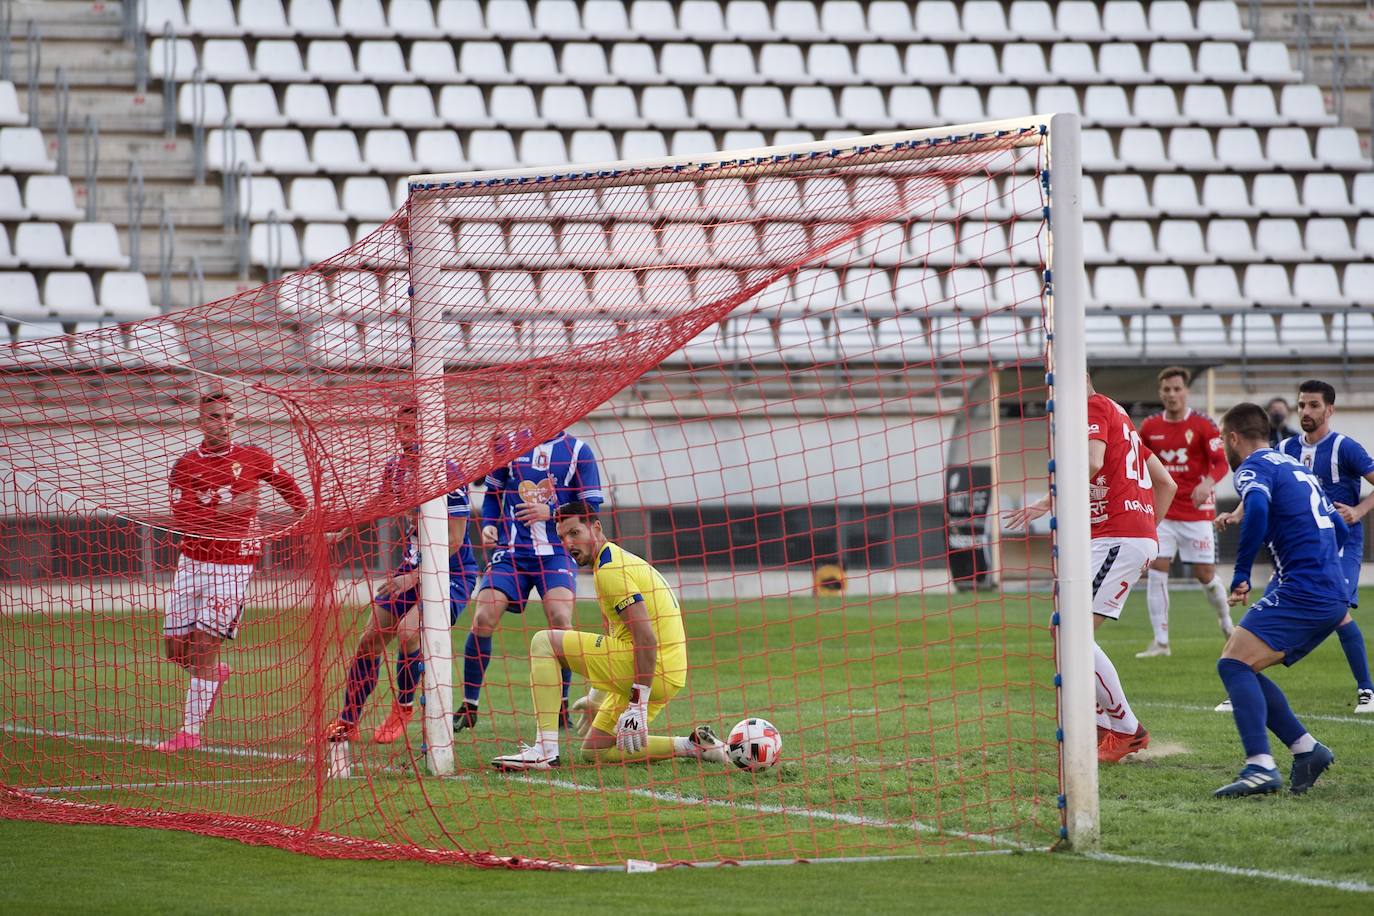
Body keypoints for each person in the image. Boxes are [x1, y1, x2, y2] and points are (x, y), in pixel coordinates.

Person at [1004, 379, 1177, 764]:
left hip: (1116, 536)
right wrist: (1147, 533)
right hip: (1124, 536)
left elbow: (1093, 461)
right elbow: (1166, 482)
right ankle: (1108, 723)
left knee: (1071, 633)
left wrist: (1047, 500)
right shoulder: (1123, 418)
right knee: (1067, 631)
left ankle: (1125, 730)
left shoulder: (1094, 407)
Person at [491, 502, 727, 770]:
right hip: (668, 673)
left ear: (596, 527)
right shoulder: (612, 561)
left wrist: (638, 703)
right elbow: (620, 637)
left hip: (652, 668)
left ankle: (544, 751)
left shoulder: (610, 571)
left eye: (574, 533)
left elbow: (645, 639)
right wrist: (596, 697)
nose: (569, 543)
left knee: (544, 642)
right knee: (596, 751)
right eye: (562, 537)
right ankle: (693, 746)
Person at [157, 392, 308, 753]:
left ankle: (189, 732)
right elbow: (185, 520)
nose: (223, 423)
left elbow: (288, 487)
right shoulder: (185, 465)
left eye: (228, 417)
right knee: (176, 651)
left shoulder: (254, 457)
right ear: (200, 422)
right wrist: (231, 510)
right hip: (192, 562)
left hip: (234, 567)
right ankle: (213, 675)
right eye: (214, 417)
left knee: (205, 646)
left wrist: (310, 517)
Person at [1211, 402, 1345, 797]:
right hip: (1326, 588)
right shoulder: (1296, 466)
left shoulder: (1252, 467)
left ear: (1233, 437)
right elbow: (1337, 526)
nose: (1223, 447)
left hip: (1305, 589)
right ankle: (1307, 750)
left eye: (1222, 439)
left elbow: (1255, 507)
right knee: (1242, 664)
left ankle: (1260, 765)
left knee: (1233, 665)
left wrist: (1240, 575)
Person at [324, 404, 479, 744]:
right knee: (370, 640)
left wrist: (415, 576)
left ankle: (403, 707)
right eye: (402, 428)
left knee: (409, 632)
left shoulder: (447, 472)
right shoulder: (395, 469)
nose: (408, 435)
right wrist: (341, 530)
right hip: (412, 567)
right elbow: (378, 506)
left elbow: (454, 541)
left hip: (451, 573)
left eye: (414, 427)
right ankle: (347, 721)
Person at [455, 429, 604, 732]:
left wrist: (551, 511)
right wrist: (488, 525)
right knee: (483, 617)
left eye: (552, 393)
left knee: (561, 620)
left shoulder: (578, 450)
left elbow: (591, 507)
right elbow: (494, 494)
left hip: (556, 554)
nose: (546, 400)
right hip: (512, 554)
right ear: (533, 396)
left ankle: (561, 703)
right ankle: (470, 704)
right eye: (540, 392)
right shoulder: (508, 443)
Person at [1274, 380, 1374, 714]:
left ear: (1329, 410)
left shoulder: (1345, 448)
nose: (1305, 411)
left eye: (1313, 405)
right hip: (1300, 546)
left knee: (1336, 612)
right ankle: (1245, 675)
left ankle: (1367, 690)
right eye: (1301, 405)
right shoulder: (1285, 448)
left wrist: (1359, 511)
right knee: (1269, 607)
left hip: (1341, 543)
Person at [1136, 367, 1234, 658]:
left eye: (1177, 389)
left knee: (1204, 575)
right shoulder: (1150, 427)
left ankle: (1227, 623)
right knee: (1157, 570)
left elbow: (1221, 462)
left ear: (1185, 391)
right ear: (1160, 393)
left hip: (1196, 511)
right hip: (1163, 510)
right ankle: (1161, 642)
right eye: (1166, 390)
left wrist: (1207, 482)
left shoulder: (1204, 424)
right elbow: (1139, 462)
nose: (1171, 395)